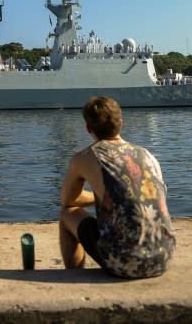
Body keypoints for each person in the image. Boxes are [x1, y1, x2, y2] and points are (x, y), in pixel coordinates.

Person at [59, 96, 176, 278]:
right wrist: (108, 194)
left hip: (124, 263)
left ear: (89, 129)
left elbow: (68, 201)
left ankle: (74, 275)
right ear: (121, 124)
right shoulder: (147, 155)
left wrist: (102, 195)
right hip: (164, 258)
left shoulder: (84, 158)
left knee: (67, 214)